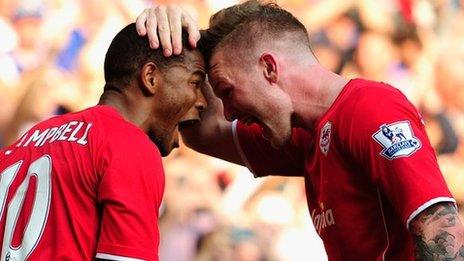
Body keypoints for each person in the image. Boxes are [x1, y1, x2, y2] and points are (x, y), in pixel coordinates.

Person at [135, 1, 464, 260]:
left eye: (228, 91)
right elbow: (204, 133)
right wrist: (179, 42)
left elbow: (439, 226)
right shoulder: (305, 135)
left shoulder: (369, 108)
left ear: (269, 68)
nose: (230, 111)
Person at [0, 23, 206, 260]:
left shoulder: (26, 141)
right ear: (151, 77)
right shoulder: (130, 145)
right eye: (195, 83)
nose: (202, 101)